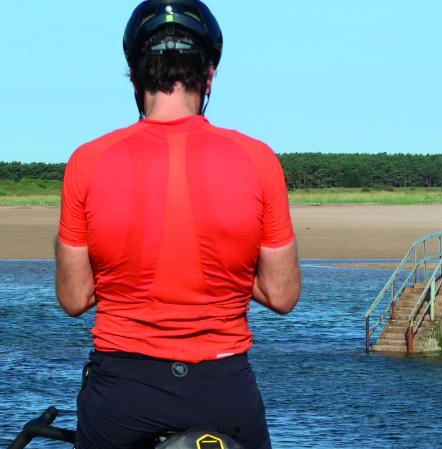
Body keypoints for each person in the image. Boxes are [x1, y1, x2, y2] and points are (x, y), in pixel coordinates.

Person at [55, 1, 301, 448]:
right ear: (208, 78)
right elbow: (282, 296)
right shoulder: (258, 160)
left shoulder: (87, 162)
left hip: (122, 394)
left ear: (135, 76)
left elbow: (74, 299)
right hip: (223, 391)